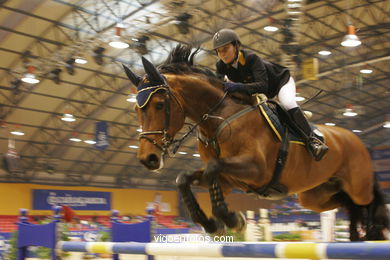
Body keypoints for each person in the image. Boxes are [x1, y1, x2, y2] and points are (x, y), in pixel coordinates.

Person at [212, 28, 328, 161]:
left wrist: (236, 86)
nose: (223, 54)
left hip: (280, 83)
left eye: (225, 49)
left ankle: (313, 141)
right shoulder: (220, 66)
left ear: (236, 46)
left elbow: (262, 86)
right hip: (259, 94)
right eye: (219, 51)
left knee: (288, 103)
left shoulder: (251, 58)